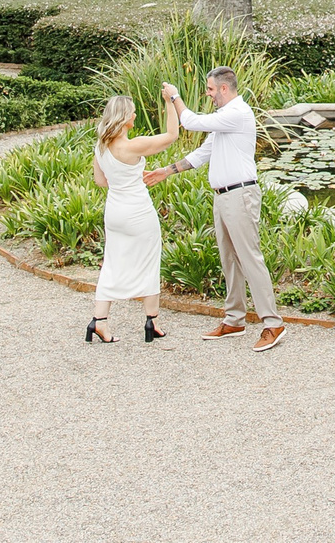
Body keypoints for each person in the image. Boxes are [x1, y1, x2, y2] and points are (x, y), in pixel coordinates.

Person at [149, 65, 285, 350]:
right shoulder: (224, 118)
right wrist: (167, 170)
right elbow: (204, 153)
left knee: (250, 258)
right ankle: (234, 320)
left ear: (224, 88)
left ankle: (273, 324)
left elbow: (190, 121)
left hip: (241, 195)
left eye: (210, 89)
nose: (208, 94)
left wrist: (174, 97)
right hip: (223, 197)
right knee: (229, 259)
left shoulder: (238, 113)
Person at [86, 88, 179, 344]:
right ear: (124, 117)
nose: (136, 115)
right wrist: (170, 101)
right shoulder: (133, 146)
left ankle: (99, 322)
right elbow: (172, 135)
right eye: (133, 112)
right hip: (138, 211)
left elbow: (100, 181)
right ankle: (152, 321)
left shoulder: (101, 147)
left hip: (114, 212)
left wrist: (120, 179)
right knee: (148, 263)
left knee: (112, 263)